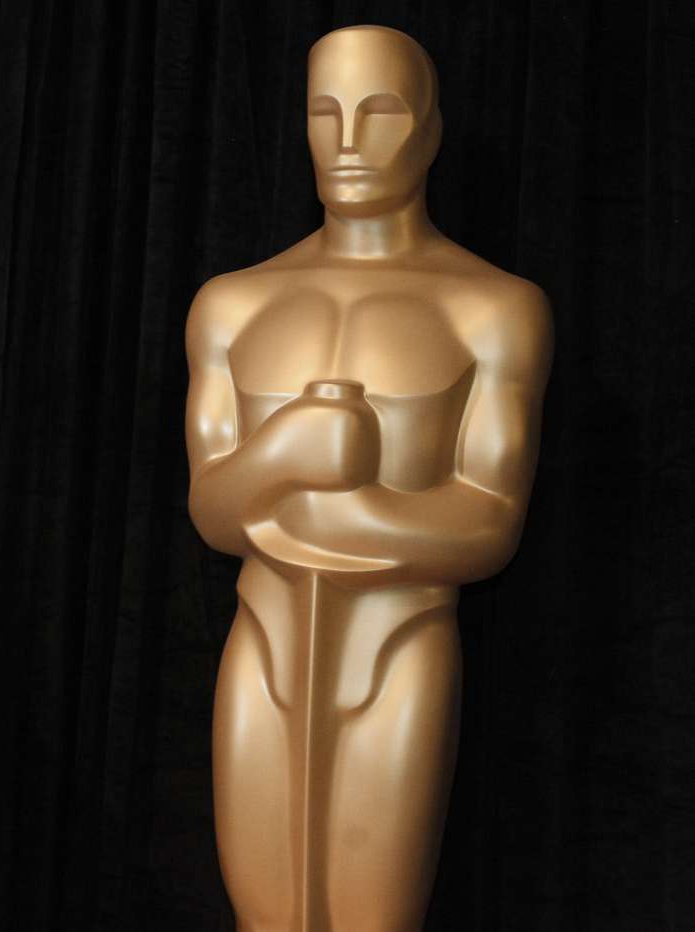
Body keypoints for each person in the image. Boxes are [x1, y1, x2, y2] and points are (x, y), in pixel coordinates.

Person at [185, 26, 551, 931]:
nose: (348, 141)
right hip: (262, 638)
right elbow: (212, 513)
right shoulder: (234, 301)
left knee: (373, 913)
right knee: (263, 912)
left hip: (402, 640)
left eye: (381, 112)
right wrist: (284, 456)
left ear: (429, 131)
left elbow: (489, 527)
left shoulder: (492, 308)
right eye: (325, 112)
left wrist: (341, 508)